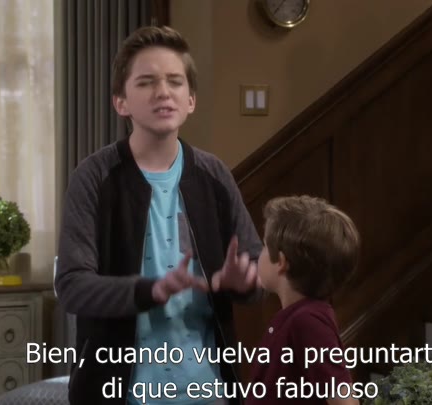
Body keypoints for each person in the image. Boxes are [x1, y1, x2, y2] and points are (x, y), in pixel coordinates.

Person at [55, 25, 263, 405]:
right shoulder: (94, 177)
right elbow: (72, 287)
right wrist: (149, 290)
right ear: (121, 102)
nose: (163, 92)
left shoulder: (214, 175)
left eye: (175, 81)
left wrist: (244, 280)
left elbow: (257, 271)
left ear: (191, 100)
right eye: (147, 82)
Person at [246, 195, 362, 405]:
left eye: (264, 246)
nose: (259, 253)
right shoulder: (295, 317)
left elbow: (343, 399)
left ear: (281, 262)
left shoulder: (308, 322)